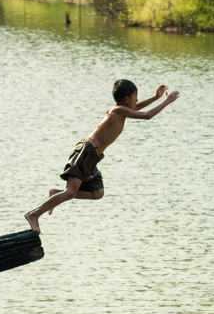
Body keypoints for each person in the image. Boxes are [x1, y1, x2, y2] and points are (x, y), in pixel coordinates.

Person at [24, 79, 180, 233]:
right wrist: (166, 101)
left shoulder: (121, 111)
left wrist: (156, 97)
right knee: (71, 192)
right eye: (136, 96)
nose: (137, 100)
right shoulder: (117, 111)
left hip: (93, 156)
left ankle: (57, 194)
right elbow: (146, 115)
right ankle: (34, 214)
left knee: (97, 193)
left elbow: (136, 108)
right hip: (86, 151)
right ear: (127, 99)